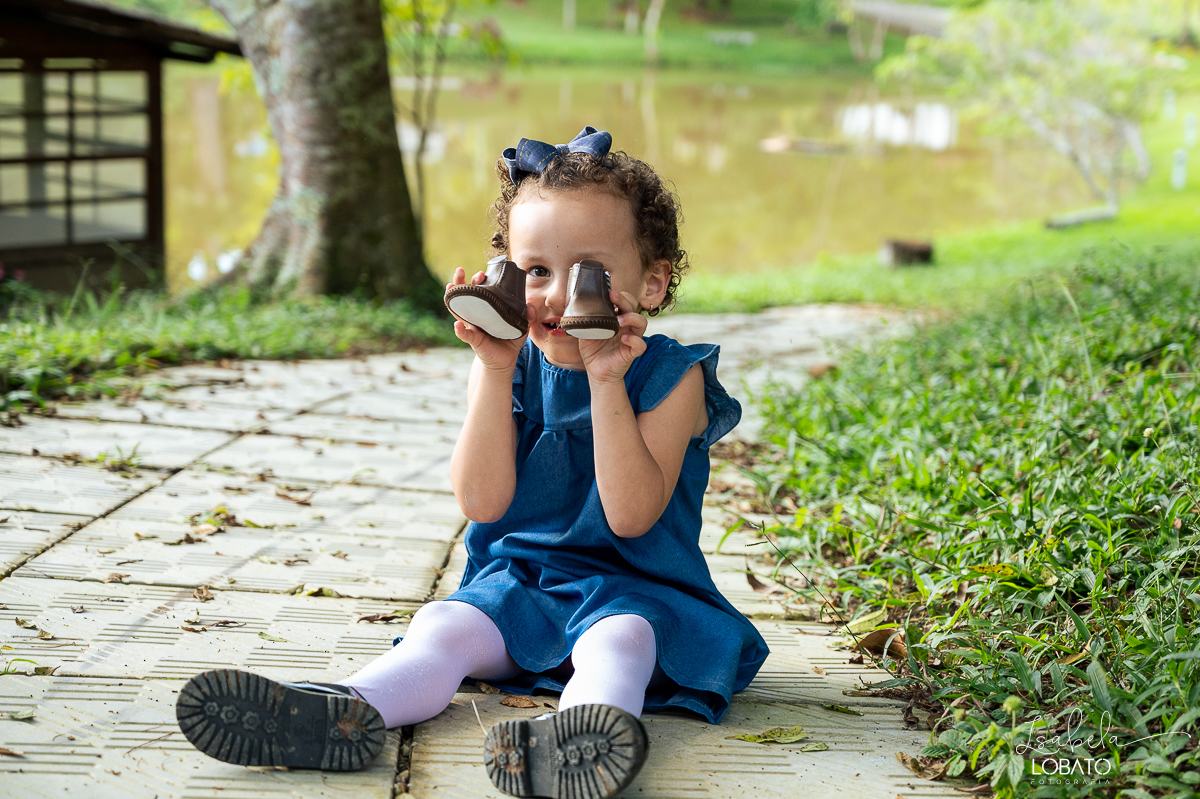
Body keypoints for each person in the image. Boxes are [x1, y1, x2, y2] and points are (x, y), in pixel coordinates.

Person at [175, 127, 769, 799]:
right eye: (535, 271)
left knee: (620, 639)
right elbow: (481, 503)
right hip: (521, 588)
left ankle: (582, 739)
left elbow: (630, 517)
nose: (556, 295)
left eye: (589, 273)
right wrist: (492, 367)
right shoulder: (508, 369)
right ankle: (343, 710)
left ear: (652, 282)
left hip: (639, 592)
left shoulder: (670, 376)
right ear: (505, 275)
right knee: (442, 625)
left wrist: (607, 378)